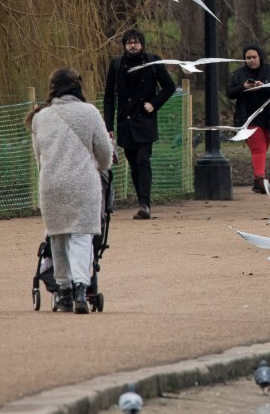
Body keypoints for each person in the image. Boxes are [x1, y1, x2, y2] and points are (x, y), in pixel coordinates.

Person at [28, 69, 114, 313]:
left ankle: (63, 291)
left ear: (53, 88)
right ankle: (79, 288)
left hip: (51, 185)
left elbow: (39, 158)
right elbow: (105, 158)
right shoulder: (90, 113)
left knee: (58, 236)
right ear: (78, 87)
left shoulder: (40, 117)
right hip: (83, 186)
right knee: (81, 236)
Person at [104, 29, 176, 220]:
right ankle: (142, 201)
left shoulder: (153, 62)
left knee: (143, 160)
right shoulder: (117, 65)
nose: (132, 45)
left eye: (136, 42)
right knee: (134, 164)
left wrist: (154, 103)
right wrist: (108, 125)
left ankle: (145, 204)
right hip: (125, 121)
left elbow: (169, 87)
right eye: (129, 42)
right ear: (125, 45)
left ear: (142, 44)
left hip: (144, 120)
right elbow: (109, 97)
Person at [227, 44, 270, 193]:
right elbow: (230, 92)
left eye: (254, 57)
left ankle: (257, 181)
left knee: (262, 150)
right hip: (248, 118)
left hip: (268, 117)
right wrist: (243, 87)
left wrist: (264, 86)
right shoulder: (238, 74)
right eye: (248, 58)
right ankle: (260, 180)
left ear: (260, 57)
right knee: (258, 149)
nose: (251, 60)